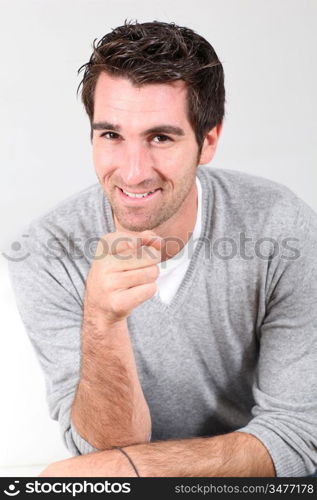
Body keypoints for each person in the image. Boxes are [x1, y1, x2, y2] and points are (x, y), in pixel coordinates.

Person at [8, 20, 317, 477]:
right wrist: (103, 320)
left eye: (160, 137)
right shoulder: (44, 251)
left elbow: (298, 436)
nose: (133, 173)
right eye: (111, 135)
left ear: (207, 141)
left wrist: (139, 472)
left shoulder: (281, 226)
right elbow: (99, 449)